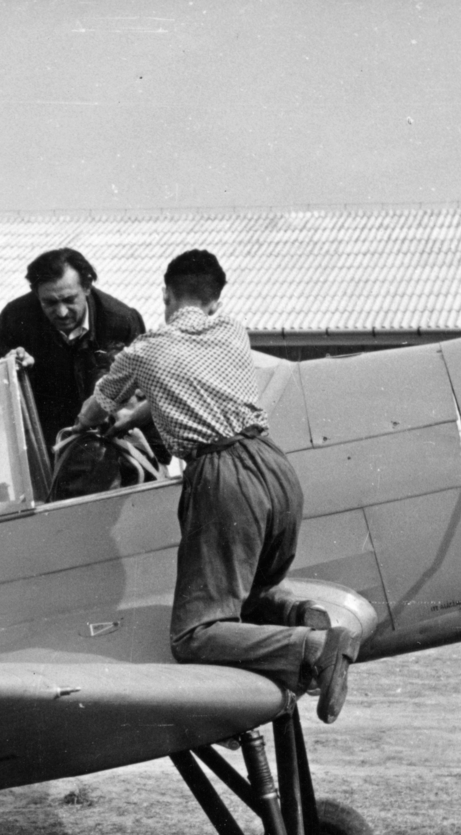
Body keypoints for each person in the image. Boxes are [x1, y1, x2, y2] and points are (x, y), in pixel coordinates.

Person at [73, 249, 359, 722]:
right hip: (274, 467)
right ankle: (298, 615)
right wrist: (136, 417)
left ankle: (313, 648)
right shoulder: (230, 331)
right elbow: (194, 387)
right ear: (215, 299)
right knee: (249, 591)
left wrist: (96, 423)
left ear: (165, 294)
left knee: (195, 635)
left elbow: (94, 410)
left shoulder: (145, 351)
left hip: (223, 477)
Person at [0, 248, 148, 448]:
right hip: (42, 443)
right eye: (50, 303)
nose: (61, 312)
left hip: (107, 441)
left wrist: (157, 457)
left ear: (87, 287)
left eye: (69, 300)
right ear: (36, 293)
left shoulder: (122, 321)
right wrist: (9, 364)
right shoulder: (16, 317)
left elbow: (150, 389)